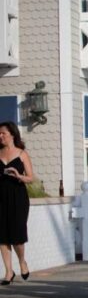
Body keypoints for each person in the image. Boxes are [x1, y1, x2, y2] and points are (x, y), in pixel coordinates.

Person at [0, 122, 33, 285]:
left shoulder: (22, 154)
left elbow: (31, 178)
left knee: (17, 235)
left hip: (18, 196)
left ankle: (22, 262)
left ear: (12, 134)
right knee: (2, 236)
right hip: (0, 196)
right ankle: (8, 271)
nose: (0, 136)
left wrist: (18, 176)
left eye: (3, 133)